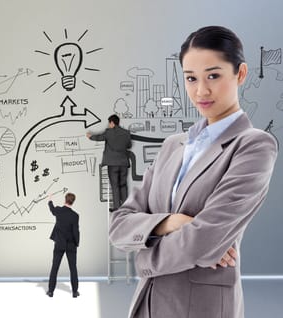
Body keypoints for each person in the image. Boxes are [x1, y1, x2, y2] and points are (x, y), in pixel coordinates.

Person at [109, 26, 278, 318]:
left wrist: (144, 253)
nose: (201, 90)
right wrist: (169, 222)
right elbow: (119, 225)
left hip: (200, 308)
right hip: (145, 306)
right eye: (191, 78)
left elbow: (203, 241)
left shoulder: (253, 145)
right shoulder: (173, 145)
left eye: (213, 75)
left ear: (240, 74)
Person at [87, 114, 132, 211]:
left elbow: (99, 137)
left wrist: (90, 137)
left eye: (109, 123)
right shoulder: (126, 133)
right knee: (123, 185)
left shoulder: (109, 132)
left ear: (112, 122)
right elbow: (129, 145)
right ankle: (126, 208)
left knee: (115, 185)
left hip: (112, 164)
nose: (108, 125)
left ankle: (117, 207)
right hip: (123, 163)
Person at [47, 192, 80, 298]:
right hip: (71, 245)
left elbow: (52, 209)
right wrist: (76, 243)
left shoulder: (59, 211)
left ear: (65, 200)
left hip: (59, 244)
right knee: (73, 268)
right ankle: (74, 292)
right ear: (73, 202)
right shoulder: (75, 216)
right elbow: (76, 231)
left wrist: (50, 199)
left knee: (55, 268)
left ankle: (51, 291)